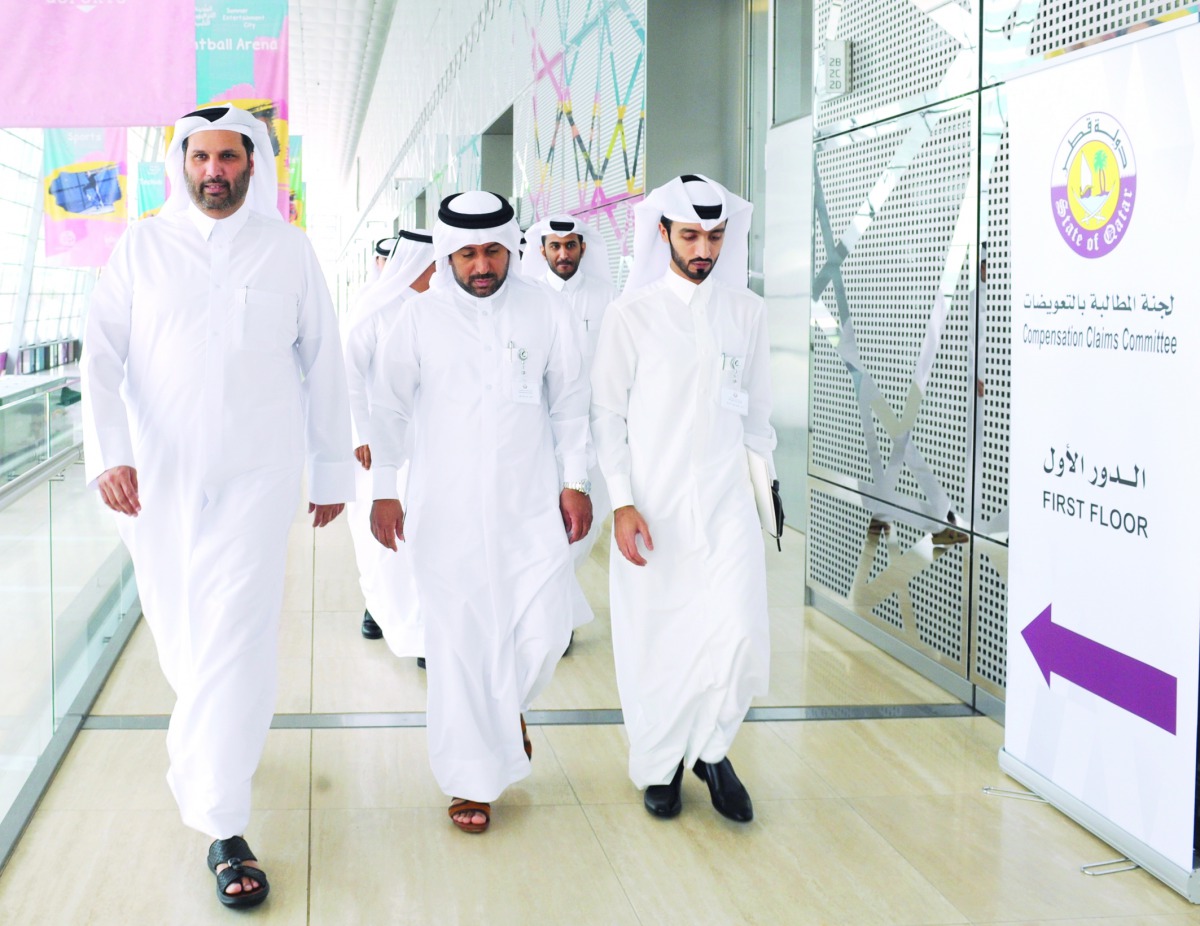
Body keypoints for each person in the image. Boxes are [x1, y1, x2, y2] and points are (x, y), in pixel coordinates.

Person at [80, 104, 354, 908]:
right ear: (182, 165)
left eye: (229, 157)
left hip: (259, 479)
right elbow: (99, 356)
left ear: (253, 162)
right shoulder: (141, 248)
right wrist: (112, 455)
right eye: (200, 158)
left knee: (237, 633)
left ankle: (222, 823)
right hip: (158, 479)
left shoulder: (288, 251)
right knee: (185, 636)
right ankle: (220, 744)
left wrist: (330, 469)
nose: (214, 172)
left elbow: (325, 363)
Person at [369, 190, 592, 834]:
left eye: (493, 250)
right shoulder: (417, 318)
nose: (481, 265)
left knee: (545, 628)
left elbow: (570, 403)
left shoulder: (544, 309)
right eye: (466, 253)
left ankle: (506, 711)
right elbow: (388, 408)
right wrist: (385, 489)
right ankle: (470, 779)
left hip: (530, 501)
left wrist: (575, 481)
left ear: (511, 248)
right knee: (461, 641)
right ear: (447, 253)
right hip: (446, 505)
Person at [590, 174, 776, 823]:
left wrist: (767, 504)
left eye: (716, 236)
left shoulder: (747, 313)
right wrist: (621, 501)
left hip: (727, 508)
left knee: (740, 633)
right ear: (663, 232)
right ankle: (662, 762)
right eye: (692, 234)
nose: (705, 249)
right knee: (658, 637)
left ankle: (713, 749)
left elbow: (757, 418)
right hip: (654, 507)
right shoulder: (630, 316)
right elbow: (607, 416)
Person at [520, 213, 618, 649]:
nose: (563, 253)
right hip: (544, 428)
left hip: (596, 426)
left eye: (571, 245)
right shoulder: (530, 297)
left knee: (584, 529)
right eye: (554, 246)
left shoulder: (607, 297)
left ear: (583, 248)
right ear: (540, 250)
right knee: (548, 523)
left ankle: (558, 605)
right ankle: (556, 616)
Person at [342, 229, 435, 660]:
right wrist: (363, 436)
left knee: (425, 539)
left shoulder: (444, 308)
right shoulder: (374, 310)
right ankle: (378, 606)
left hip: (431, 443)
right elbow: (350, 377)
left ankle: (422, 631)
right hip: (381, 448)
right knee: (381, 542)